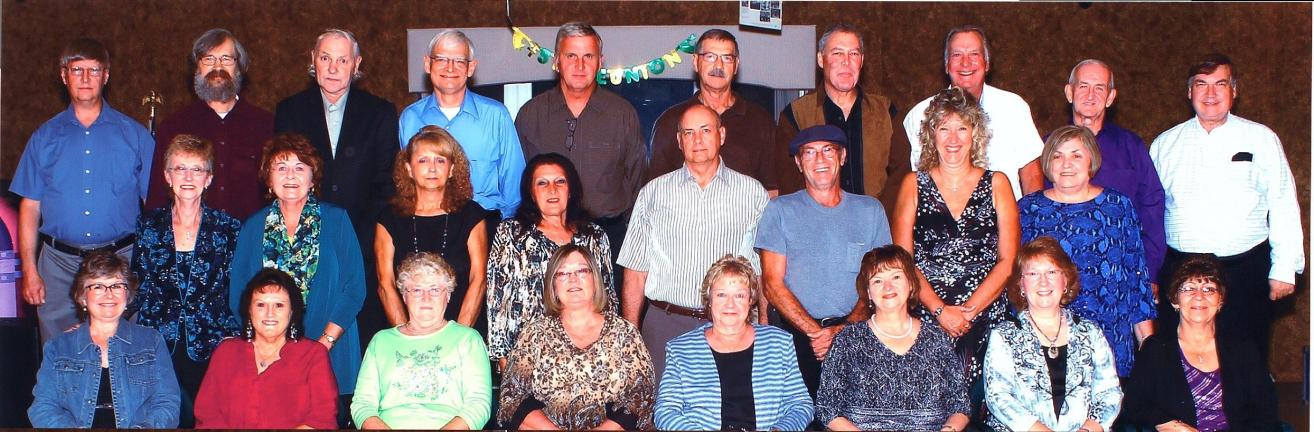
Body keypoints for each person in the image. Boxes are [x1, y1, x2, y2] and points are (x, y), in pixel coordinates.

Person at [1150, 53, 1303, 363]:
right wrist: (1151, 274)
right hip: (1181, 269)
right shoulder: (1165, 144)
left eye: (1220, 84)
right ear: (1188, 92)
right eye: (1201, 84)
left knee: (1248, 360)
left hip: (1245, 269)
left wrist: (1285, 267)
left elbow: (1283, 201)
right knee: (1180, 360)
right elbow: (1151, 213)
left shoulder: (1261, 139)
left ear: (1234, 90)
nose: (1210, 94)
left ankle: (1251, 415)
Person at [11, 38, 152, 343]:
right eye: (77, 70)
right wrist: (29, 270)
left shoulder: (134, 136)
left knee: (120, 351)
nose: (86, 78)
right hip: (58, 266)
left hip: (121, 261)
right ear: (64, 76)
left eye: (94, 69)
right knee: (59, 355)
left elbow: (153, 204)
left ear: (106, 75)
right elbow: (30, 206)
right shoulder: (43, 137)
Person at [891, 86, 1018, 415]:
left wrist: (970, 311)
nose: (953, 138)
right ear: (931, 133)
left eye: (962, 127)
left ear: (975, 132)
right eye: (944, 127)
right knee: (929, 411)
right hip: (927, 315)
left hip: (987, 315)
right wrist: (939, 311)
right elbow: (904, 262)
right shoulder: (912, 184)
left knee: (986, 411)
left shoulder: (998, 183)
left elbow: (1007, 261)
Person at [619, 104, 768, 379]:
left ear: (721, 135)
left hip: (730, 325)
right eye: (688, 133)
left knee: (726, 413)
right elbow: (635, 271)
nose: (697, 140)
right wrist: (630, 336)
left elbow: (760, 272)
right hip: (665, 325)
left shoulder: (752, 193)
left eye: (705, 131)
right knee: (661, 415)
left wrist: (765, 331)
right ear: (679, 141)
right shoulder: (654, 193)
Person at [275, 28, 400, 349]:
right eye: (325, 58)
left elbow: (386, 183)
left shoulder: (381, 112)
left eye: (342, 60)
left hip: (363, 243)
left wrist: (355, 238)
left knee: (359, 339)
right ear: (312, 61)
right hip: (302, 244)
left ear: (356, 65)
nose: (333, 68)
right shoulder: (289, 111)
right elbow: (283, 181)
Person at [229, 133, 365, 425]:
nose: (290, 175)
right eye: (281, 167)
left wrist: (322, 345)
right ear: (268, 179)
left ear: (313, 178)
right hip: (270, 356)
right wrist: (271, 346)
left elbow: (354, 288)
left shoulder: (337, 219)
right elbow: (238, 296)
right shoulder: (252, 227)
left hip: (331, 351)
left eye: (300, 167)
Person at [756, 124, 892, 398]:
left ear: (842, 157)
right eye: (810, 153)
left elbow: (882, 281)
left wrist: (842, 332)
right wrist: (816, 333)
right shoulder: (779, 210)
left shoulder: (870, 210)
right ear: (798, 162)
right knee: (798, 419)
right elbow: (772, 284)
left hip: (857, 333)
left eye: (828, 151)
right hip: (795, 335)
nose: (820, 160)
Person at [1019, 125, 1156, 379]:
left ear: (1091, 159)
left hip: (1110, 337)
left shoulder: (1118, 207)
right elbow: (1017, 279)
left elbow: (1136, 279)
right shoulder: (1028, 210)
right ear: (1048, 163)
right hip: (1046, 337)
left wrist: (1149, 346)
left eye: (1076, 155)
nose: (1066, 164)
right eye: (1058, 156)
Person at [127, 134, 242, 426]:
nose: (188, 177)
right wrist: (101, 320)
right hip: (158, 341)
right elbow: (138, 284)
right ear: (167, 176)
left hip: (212, 341)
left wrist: (234, 335)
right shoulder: (148, 225)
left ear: (209, 178)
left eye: (197, 169)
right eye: (180, 168)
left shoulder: (227, 228)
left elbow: (237, 288)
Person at [516, 21, 647, 264]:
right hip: (545, 238)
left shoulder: (622, 114)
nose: (579, 65)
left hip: (611, 238)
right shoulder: (530, 114)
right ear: (556, 60)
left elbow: (637, 178)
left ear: (600, 61)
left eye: (588, 56)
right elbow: (519, 182)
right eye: (571, 56)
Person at [815, 245, 969, 431]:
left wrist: (949, 430)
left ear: (911, 283)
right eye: (877, 281)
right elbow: (827, 408)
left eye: (896, 277)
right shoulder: (848, 340)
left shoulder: (936, 338)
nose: (888, 287)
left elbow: (960, 404)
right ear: (869, 292)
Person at [499, 245, 654, 429]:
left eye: (581, 271)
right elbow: (512, 397)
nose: (573, 279)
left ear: (595, 279)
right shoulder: (534, 334)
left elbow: (641, 395)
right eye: (563, 273)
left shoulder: (624, 332)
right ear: (553, 285)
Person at [655, 255, 813, 430]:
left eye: (739, 295)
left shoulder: (779, 343)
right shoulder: (681, 349)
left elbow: (801, 405)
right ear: (709, 299)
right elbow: (665, 411)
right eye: (721, 295)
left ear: (750, 300)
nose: (730, 304)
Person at [1124, 255, 1281, 431]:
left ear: (1220, 300)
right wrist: (1172, 424)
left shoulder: (1243, 349)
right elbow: (1133, 408)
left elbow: (1266, 415)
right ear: (1175, 300)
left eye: (1209, 289)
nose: (1199, 296)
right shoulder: (1155, 349)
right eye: (1188, 288)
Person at [486, 153, 616, 364]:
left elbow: (608, 298)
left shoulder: (595, 235)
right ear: (531, 192)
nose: (552, 190)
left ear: (571, 189)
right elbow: (497, 301)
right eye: (542, 183)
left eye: (560, 182)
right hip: (528, 355)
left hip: (586, 354)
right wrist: (503, 358)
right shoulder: (511, 234)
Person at [983, 236, 1122, 431]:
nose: (1043, 282)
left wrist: (1090, 428)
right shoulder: (1003, 336)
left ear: (1065, 280)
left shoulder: (1091, 332)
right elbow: (998, 397)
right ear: (1021, 285)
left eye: (1051, 272)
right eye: (1032, 274)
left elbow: (1109, 393)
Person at [28, 250, 180, 428]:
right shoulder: (58, 347)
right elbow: (43, 408)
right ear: (83, 298)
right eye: (98, 287)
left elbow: (167, 404)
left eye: (116, 286)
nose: (109, 294)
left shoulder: (151, 341)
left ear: (128, 295)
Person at [774, 24, 911, 214]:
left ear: (861, 61)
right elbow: (788, 182)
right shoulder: (796, 114)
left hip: (875, 228)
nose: (846, 62)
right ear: (821, 60)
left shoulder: (886, 111)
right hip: (816, 226)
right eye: (837, 53)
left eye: (853, 54)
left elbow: (901, 175)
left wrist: (880, 218)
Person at [352, 253, 492, 429]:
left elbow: (478, 405)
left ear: (447, 295)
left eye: (434, 289)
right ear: (404, 296)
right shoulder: (380, 341)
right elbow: (363, 405)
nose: (426, 298)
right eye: (417, 290)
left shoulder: (468, 339)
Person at [1059, 59, 1166, 290]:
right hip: (1062, 279)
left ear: (1110, 97)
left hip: (1121, 277)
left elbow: (1152, 208)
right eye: (1083, 86)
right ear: (1069, 92)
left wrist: (1150, 271)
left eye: (1099, 88)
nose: (1090, 95)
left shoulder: (1132, 147)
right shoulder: (1049, 149)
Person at [903, 25, 1044, 198]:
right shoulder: (919, 115)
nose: (965, 63)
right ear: (946, 65)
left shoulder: (1014, 107)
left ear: (987, 63)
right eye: (957, 55)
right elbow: (917, 184)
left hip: (1006, 221)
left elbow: (1032, 176)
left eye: (974, 54)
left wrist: (1031, 221)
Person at [399, 29, 524, 221]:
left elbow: (515, 185)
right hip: (427, 224)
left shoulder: (496, 116)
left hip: (486, 223)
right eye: (441, 59)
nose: (450, 68)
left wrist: (504, 231)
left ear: (471, 67)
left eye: (459, 61)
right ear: (427, 64)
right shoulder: (410, 118)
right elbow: (404, 184)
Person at [376, 126, 489, 338]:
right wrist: (408, 337)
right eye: (423, 160)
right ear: (409, 169)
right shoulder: (388, 218)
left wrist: (458, 338)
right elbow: (385, 284)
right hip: (405, 335)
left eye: (440, 160)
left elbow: (479, 279)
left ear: (452, 169)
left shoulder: (472, 215)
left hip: (463, 332)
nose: (432, 168)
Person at [147, 28, 273, 219]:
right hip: (191, 244)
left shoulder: (266, 126)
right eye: (209, 59)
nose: (217, 67)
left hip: (250, 243)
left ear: (239, 67)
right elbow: (157, 197)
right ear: (197, 67)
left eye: (226, 59)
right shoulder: (173, 127)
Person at [194, 268, 338, 428]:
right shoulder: (226, 352)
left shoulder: (314, 354)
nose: (270, 313)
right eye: (261, 305)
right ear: (249, 310)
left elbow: (322, 419)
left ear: (292, 311)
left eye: (279, 305)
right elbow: (207, 416)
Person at [648, 29, 777, 195]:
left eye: (727, 58)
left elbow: (773, 190)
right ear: (695, 62)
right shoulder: (670, 122)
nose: (718, 65)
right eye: (710, 56)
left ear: (736, 65)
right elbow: (655, 191)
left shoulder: (760, 121)